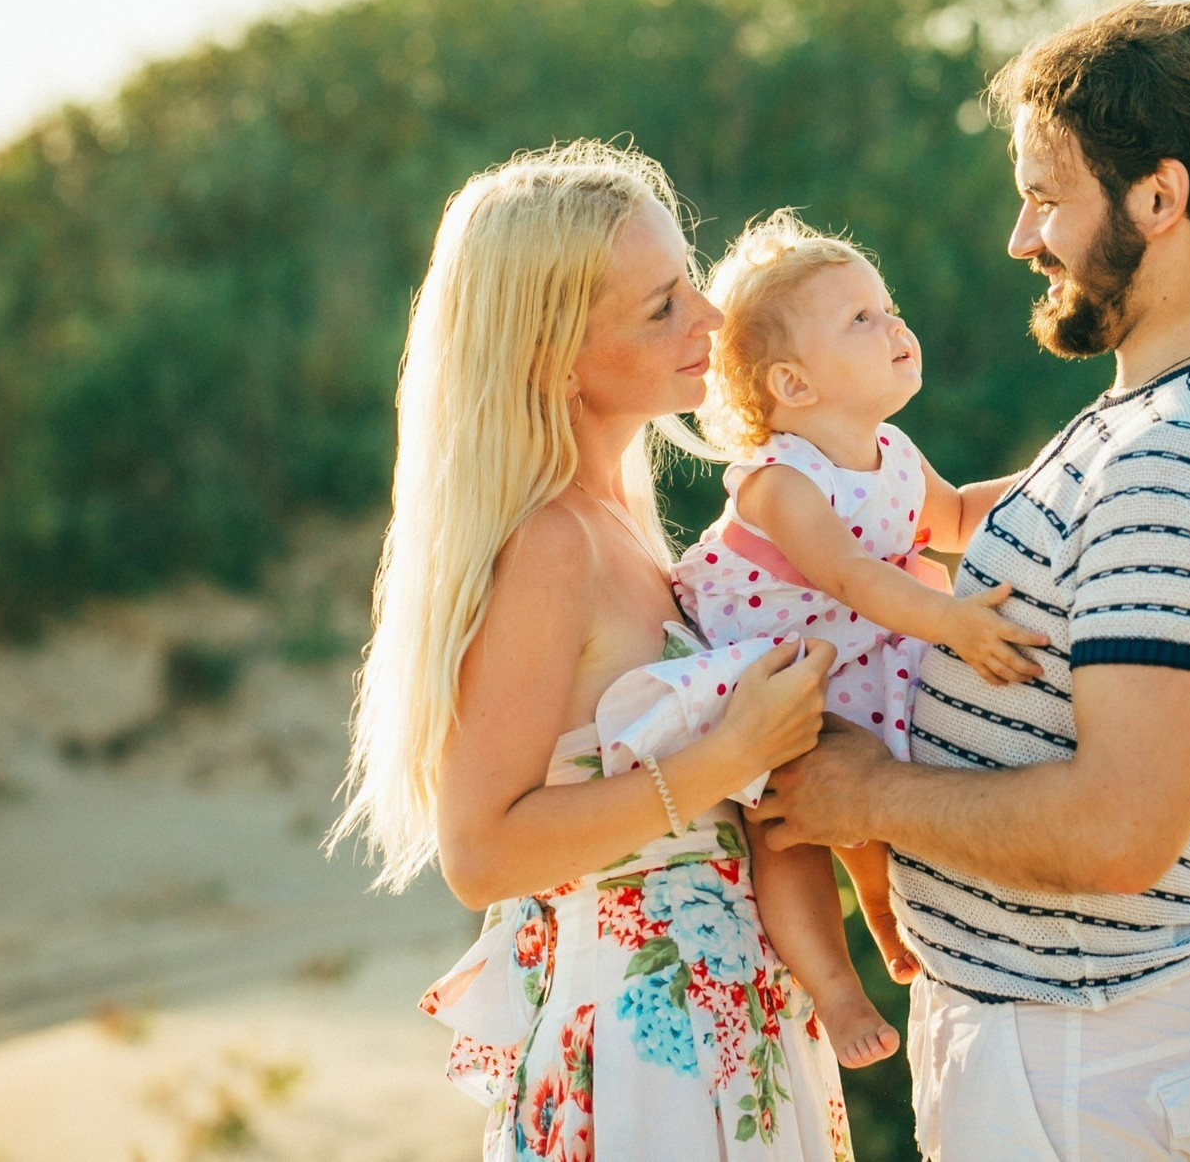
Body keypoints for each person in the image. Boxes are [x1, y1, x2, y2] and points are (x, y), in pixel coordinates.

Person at [745, 0, 1190, 1161]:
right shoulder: (1145, 420)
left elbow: (1117, 828)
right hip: (1049, 1047)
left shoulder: (1183, 456)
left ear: (1158, 200)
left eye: (1046, 197)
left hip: (1075, 1066)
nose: (1021, 236)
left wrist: (866, 797)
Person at [329, 141, 855, 1161]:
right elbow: (480, 852)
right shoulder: (548, 546)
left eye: (688, 285)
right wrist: (721, 751)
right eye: (659, 305)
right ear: (549, 352)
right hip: (638, 1054)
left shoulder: (623, 526)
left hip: (721, 1015)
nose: (708, 320)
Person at [667, 210, 1050, 1070]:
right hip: (767, 676)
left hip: (847, 658)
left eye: (888, 308)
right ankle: (837, 995)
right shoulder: (779, 482)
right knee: (790, 831)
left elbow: (949, 519)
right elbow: (849, 576)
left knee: (871, 817)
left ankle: (884, 911)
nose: (895, 328)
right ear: (794, 386)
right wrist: (954, 621)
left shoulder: (894, 452)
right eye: (862, 321)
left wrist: (1050, 479)